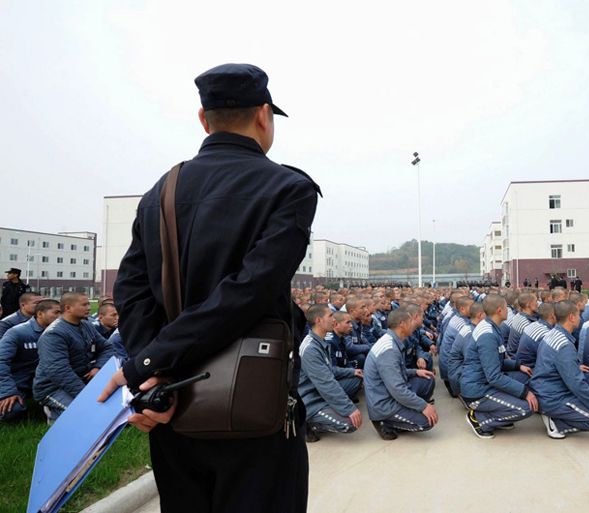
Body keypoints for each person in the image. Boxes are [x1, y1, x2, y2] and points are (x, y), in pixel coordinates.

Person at [100, 63, 318, 513]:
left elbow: (131, 289)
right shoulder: (289, 189)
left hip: (174, 405)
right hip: (254, 409)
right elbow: (248, 292)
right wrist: (152, 362)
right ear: (264, 115)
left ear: (204, 119)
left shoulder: (162, 190)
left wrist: (153, 366)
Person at [530, 301, 589, 439]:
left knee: (587, 374)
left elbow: (550, 361)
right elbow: (576, 384)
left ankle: (556, 414)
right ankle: (556, 423)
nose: (580, 317)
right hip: (552, 397)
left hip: (543, 388)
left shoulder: (552, 333)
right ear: (571, 317)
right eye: (578, 314)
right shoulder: (564, 345)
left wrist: (573, 365)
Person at [460, 294, 538, 439]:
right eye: (506, 308)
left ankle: (500, 415)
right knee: (527, 408)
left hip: (484, 381)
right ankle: (480, 419)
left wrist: (518, 365)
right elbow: (494, 377)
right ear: (499, 311)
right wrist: (525, 392)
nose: (508, 310)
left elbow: (497, 360)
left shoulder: (491, 327)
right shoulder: (488, 335)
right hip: (477, 391)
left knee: (524, 376)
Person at [33, 292, 114, 423]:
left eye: (88, 304)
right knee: (87, 415)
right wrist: (86, 396)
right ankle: (53, 414)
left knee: (112, 409)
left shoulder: (86, 325)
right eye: (84, 304)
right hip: (53, 388)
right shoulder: (54, 334)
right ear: (67, 308)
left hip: (82, 379)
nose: (88, 307)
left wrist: (97, 367)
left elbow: (108, 348)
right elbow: (59, 372)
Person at [364, 308, 439, 440]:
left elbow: (396, 373)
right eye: (411, 321)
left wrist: (416, 371)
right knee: (427, 422)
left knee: (427, 379)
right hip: (385, 403)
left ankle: (408, 411)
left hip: (390, 393)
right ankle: (384, 421)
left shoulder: (393, 340)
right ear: (402, 324)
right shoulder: (389, 350)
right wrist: (423, 406)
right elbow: (397, 389)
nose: (414, 324)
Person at [298, 305, 363, 442]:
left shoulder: (320, 341)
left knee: (355, 379)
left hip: (319, 390)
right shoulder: (311, 348)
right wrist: (349, 409)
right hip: (310, 398)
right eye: (330, 316)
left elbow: (330, 370)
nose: (334, 319)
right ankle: (308, 424)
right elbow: (325, 383)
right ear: (318, 320)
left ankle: (331, 406)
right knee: (350, 424)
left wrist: (351, 371)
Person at [0, 299, 61, 422]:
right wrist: (8, 392)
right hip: (19, 381)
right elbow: (1, 361)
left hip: (46, 382)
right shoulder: (18, 333)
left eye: (62, 313)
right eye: (56, 312)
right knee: (11, 410)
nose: (60, 316)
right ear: (40, 314)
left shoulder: (61, 332)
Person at [446, 303, 484, 398]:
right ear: (480, 315)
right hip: (459, 377)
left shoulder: (470, 327)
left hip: (457, 372)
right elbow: (471, 361)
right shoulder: (471, 333)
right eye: (487, 314)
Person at [515, 302, 555, 369]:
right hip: (529, 370)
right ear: (552, 315)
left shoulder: (533, 324)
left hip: (521, 364)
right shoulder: (545, 334)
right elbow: (550, 360)